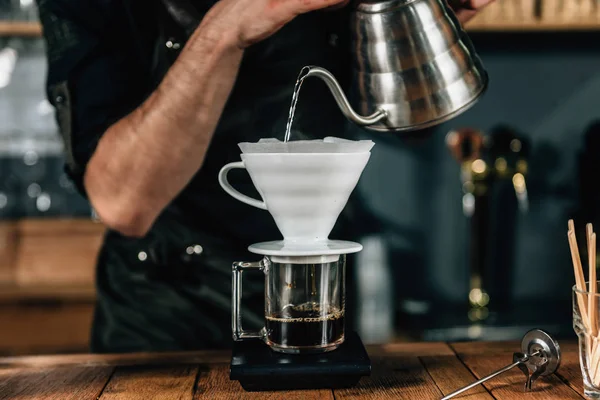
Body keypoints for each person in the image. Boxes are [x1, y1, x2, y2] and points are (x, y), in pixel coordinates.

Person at [35, 0, 494, 353]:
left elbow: (399, 118)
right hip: (165, 315)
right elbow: (123, 202)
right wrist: (226, 27)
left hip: (314, 288)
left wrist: (419, 23)